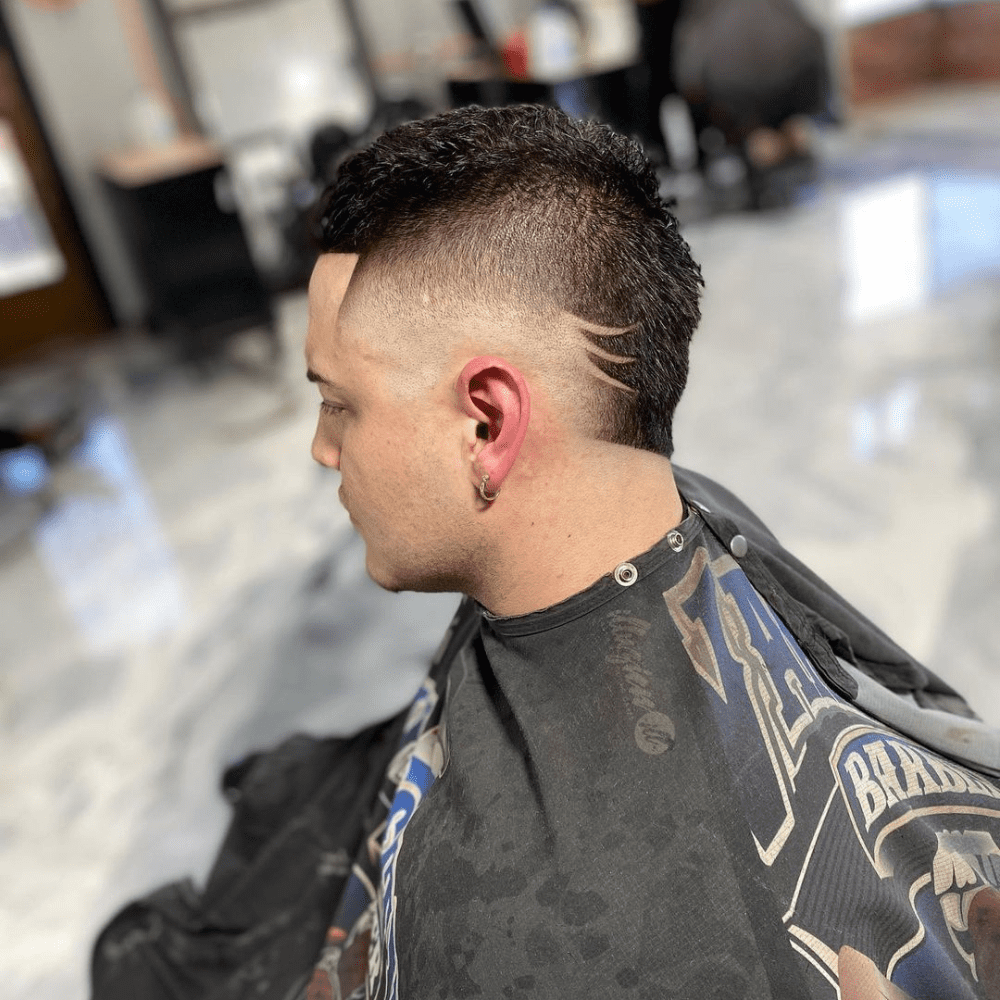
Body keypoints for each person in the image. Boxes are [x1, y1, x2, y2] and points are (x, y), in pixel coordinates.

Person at [93, 105, 1000, 1000]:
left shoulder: (578, 948)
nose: (323, 449)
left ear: (487, 424)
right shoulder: (662, 504)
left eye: (340, 405)